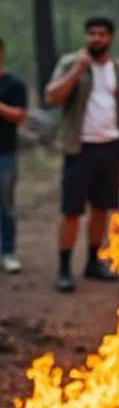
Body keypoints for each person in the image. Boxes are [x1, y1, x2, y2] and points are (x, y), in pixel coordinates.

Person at [45, 17, 119, 292]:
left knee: (101, 208)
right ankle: (64, 267)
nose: (95, 38)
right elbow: (52, 96)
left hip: (110, 147)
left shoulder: (118, 69)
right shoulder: (70, 62)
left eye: (101, 34)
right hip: (79, 148)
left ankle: (93, 262)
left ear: (110, 38)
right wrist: (77, 70)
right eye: (91, 34)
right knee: (71, 210)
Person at [0, 38, 28, 273]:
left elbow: (19, 116)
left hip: (5, 154)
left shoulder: (14, 85)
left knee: (6, 205)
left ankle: (8, 252)